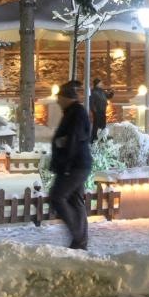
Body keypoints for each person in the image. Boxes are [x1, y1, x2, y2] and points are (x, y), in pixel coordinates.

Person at [49, 80, 92, 250]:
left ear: (66, 97)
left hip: (75, 165)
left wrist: (65, 163)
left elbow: (73, 140)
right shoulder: (73, 112)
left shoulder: (76, 113)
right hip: (78, 164)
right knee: (75, 201)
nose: (57, 101)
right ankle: (80, 243)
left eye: (59, 97)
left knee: (57, 197)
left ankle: (79, 236)